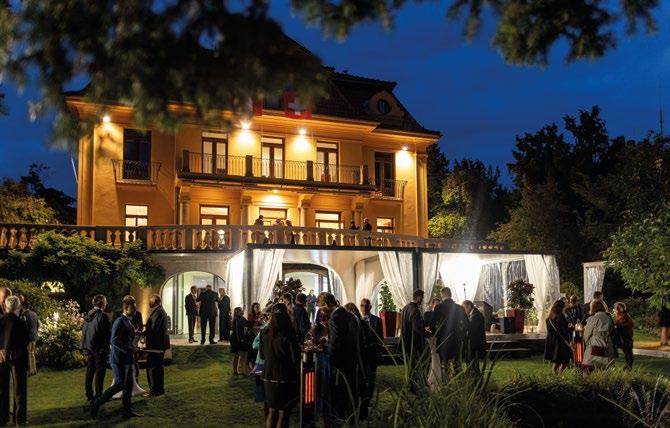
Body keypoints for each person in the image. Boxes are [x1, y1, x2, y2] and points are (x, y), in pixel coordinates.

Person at [91, 295, 142, 419]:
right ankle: (97, 403)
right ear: (126, 307)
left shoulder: (128, 321)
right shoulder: (119, 321)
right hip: (119, 359)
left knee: (128, 385)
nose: (135, 310)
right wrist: (129, 348)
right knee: (119, 384)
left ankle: (127, 410)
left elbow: (126, 340)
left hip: (127, 358)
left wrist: (133, 347)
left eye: (135, 308)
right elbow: (114, 341)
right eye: (133, 308)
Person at [319, 292, 363, 423]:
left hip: (340, 366)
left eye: (322, 308)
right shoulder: (351, 315)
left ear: (327, 304)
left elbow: (335, 345)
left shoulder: (335, 319)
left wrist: (324, 349)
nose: (322, 312)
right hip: (353, 362)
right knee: (350, 398)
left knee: (339, 399)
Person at [260, 303, 301, 428]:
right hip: (285, 375)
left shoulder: (265, 331)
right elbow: (295, 356)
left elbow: (262, 355)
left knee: (272, 410)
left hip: (268, 375)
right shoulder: (288, 332)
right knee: (283, 412)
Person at [0, 295, 30, 425]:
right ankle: (19, 418)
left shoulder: (1, 321)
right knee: (20, 388)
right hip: (18, 356)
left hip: (2, 356)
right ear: (17, 306)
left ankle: (2, 418)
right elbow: (26, 340)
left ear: (5, 306)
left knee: (2, 388)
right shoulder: (20, 322)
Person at [81, 294, 112, 403]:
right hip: (99, 348)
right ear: (102, 303)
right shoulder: (102, 316)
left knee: (90, 371)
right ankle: (99, 396)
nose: (106, 304)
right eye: (105, 302)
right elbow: (107, 334)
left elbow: (85, 331)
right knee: (100, 373)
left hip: (89, 347)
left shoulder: (89, 314)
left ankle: (89, 395)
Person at [430, 287, 467, 374]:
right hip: (456, 338)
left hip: (443, 339)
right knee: (456, 363)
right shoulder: (459, 308)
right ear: (450, 294)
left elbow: (432, 324)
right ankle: (458, 378)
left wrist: (435, 334)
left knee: (444, 363)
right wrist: (461, 333)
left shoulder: (438, 307)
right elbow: (466, 323)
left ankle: (445, 379)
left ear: (442, 295)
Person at [358, 298, 383, 419]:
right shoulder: (357, 320)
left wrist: (378, 351)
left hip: (372, 352)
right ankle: (363, 400)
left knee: (371, 377)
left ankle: (369, 399)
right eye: (362, 306)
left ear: (370, 307)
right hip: (362, 354)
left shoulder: (377, 320)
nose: (364, 308)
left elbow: (380, 338)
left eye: (366, 306)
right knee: (363, 377)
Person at [144, 294, 170, 396]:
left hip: (155, 345)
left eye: (150, 300)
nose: (149, 302)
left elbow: (153, 329)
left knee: (152, 367)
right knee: (158, 367)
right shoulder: (160, 311)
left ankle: (154, 390)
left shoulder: (158, 312)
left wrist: (142, 334)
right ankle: (159, 389)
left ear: (155, 301)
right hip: (160, 344)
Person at [400, 289, 427, 386]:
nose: (422, 300)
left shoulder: (405, 308)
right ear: (419, 297)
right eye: (422, 298)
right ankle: (416, 385)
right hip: (414, 343)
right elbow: (417, 328)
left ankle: (411, 385)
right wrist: (428, 334)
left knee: (410, 366)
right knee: (417, 365)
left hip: (405, 342)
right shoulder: (415, 310)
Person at [582, 299, 615, 375]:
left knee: (587, 368)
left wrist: (587, 342)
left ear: (593, 307)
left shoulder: (593, 318)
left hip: (595, 344)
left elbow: (587, 334)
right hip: (607, 344)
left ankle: (587, 382)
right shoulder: (608, 318)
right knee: (604, 369)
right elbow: (611, 331)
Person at [544, 300, 572, 373]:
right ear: (561, 307)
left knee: (558, 360)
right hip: (560, 341)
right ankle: (558, 374)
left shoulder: (549, 317)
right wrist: (571, 328)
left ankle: (557, 374)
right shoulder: (560, 316)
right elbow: (564, 330)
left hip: (552, 340)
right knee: (564, 360)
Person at [462, 300, 486, 374]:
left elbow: (472, 329)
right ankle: (473, 374)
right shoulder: (473, 313)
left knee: (474, 361)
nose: (464, 311)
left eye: (464, 308)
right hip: (474, 342)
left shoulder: (476, 315)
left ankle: (475, 375)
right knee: (472, 361)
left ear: (469, 307)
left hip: (476, 343)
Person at [18, 296, 39, 376]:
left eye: (20, 306)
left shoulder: (24, 315)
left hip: (28, 337)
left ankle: (30, 371)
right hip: (34, 335)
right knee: (32, 353)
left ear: (23, 306)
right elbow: (37, 324)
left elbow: (25, 327)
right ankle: (34, 369)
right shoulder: (34, 314)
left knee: (29, 354)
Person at [614, 302, 634, 370]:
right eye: (616, 307)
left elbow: (629, 324)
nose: (617, 309)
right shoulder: (620, 315)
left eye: (618, 307)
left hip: (626, 336)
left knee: (628, 351)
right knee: (627, 352)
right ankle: (628, 365)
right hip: (623, 336)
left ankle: (629, 366)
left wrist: (618, 325)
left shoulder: (624, 315)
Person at [230, 307, 250, 375]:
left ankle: (236, 371)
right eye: (240, 311)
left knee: (237, 355)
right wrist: (240, 340)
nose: (242, 311)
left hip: (235, 338)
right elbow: (238, 330)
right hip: (237, 339)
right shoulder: (238, 319)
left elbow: (247, 323)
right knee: (241, 355)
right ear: (237, 312)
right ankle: (241, 370)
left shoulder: (238, 318)